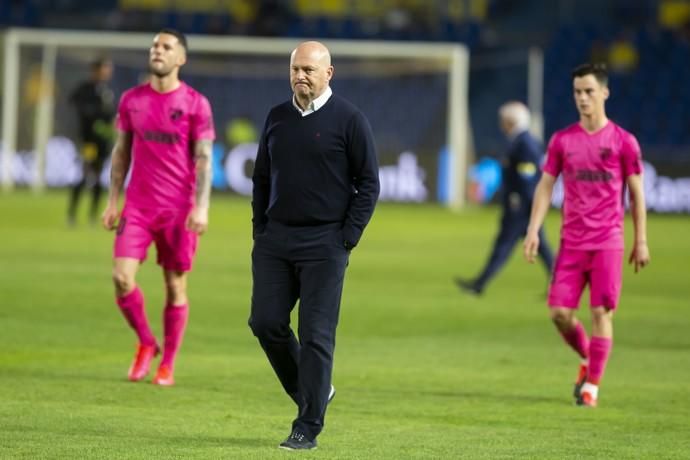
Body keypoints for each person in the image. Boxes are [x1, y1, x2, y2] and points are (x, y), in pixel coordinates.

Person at [249, 41, 379, 450]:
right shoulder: (277, 117)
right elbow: (262, 179)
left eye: (309, 69)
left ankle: (307, 425)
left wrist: (347, 236)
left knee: (316, 333)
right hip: (277, 239)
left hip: (325, 243)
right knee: (265, 322)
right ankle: (315, 390)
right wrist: (261, 230)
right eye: (295, 69)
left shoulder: (350, 119)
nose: (301, 76)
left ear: (329, 74)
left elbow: (369, 184)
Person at [523, 63, 650, 407]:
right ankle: (587, 359)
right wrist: (533, 229)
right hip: (572, 243)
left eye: (589, 91)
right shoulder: (563, 141)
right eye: (577, 92)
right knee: (559, 313)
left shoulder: (623, 142)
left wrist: (640, 240)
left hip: (608, 242)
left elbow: (637, 194)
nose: (582, 98)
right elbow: (545, 187)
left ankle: (592, 386)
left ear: (604, 93)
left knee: (601, 313)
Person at [101, 29, 215, 386]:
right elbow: (121, 153)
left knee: (174, 285)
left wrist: (201, 208)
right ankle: (146, 343)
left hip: (178, 210)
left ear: (180, 58)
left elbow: (204, 159)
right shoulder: (132, 99)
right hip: (137, 205)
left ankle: (168, 362)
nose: (157, 51)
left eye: (166, 47)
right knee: (121, 278)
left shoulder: (196, 103)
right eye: (154, 45)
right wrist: (113, 201)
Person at [456, 101, 554, 295]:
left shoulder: (523, 143)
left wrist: (520, 200)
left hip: (521, 208)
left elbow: (527, 176)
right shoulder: (523, 140)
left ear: (511, 121)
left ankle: (480, 284)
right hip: (524, 206)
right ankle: (561, 284)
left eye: (503, 120)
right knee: (537, 247)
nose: (501, 124)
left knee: (504, 246)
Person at [67, 57, 115, 226]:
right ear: (96, 70)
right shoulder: (85, 89)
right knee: (85, 174)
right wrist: (93, 115)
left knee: (98, 176)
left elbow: (110, 115)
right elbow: (74, 102)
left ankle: (93, 215)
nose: (108, 72)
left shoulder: (107, 90)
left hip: (103, 142)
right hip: (88, 142)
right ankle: (72, 214)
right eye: (105, 68)